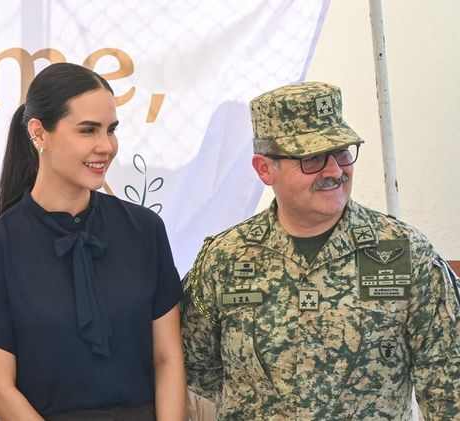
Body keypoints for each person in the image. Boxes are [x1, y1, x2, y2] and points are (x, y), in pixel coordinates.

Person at [181, 81, 460, 419]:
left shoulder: (405, 253)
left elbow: (448, 381)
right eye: (311, 158)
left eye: (341, 152)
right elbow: (196, 363)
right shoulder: (225, 259)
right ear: (265, 168)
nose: (334, 171)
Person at [0, 62, 186, 420]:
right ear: (39, 133)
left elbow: (168, 358)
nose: (106, 146)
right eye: (88, 130)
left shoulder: (144, 229)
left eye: (111, 130)